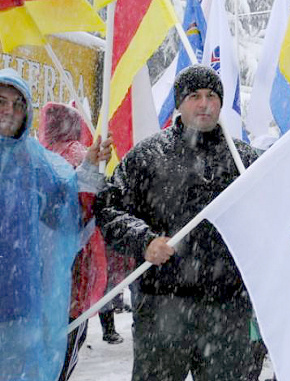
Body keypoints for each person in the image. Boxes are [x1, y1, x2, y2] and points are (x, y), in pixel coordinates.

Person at [95, 64, 259, 381]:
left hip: (228, 312)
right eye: (194, 95)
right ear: (179, 103)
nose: (204, 104)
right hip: (161, 308)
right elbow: (107, 208)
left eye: (212, 96)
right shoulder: (147, 156)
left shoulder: (245, 160)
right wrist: (143, 241)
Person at [0, 68, 109, 380]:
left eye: (17, 104)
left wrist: (89, 165)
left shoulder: (32, 160)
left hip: (19, 303)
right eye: (1, 101)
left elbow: (64, 206)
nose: (9, 110)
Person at [38, 101, 115, 378]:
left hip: (46, 272)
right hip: (75, 271)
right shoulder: (82, 155)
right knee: (65, 348)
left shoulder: (39, 157)